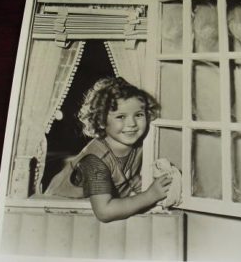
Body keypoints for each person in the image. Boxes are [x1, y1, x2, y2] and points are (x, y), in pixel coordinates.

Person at [46, 77, 172, 222]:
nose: (132, 124)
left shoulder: (138, 144)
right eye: (121, 116)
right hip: (59, 215)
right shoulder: (94, 161)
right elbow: (104, 212)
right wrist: (150, 195)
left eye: (138, 115)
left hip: (91, 215)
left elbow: (125, 178)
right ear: (100, 121)